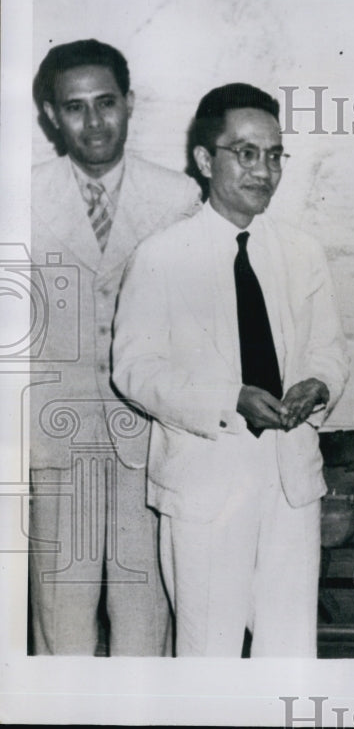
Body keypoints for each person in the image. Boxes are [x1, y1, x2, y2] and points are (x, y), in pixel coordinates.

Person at [112, 83, 349, 656]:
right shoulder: (162, 255)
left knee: (289, 651)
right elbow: (136, 370)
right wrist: (229, 398)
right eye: (246, 153)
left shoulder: (301, 252)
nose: (263, 170)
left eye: (274, 155)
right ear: (203, 159)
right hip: (206, 484)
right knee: (207, 655)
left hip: (289, 482)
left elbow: (329, 351)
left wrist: (317, 385)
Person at [29, 39, 201, 656]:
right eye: (75, 108)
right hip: (55, 442)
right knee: (62, 618)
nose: (94, 121)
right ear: (51, 115)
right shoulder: (18, 198)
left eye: (106, 103)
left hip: (148, 441)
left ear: (129, 104)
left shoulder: (179, 199)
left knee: (144, 619)